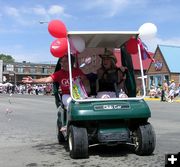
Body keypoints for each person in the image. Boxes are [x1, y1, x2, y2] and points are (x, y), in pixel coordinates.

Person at [22, 54, 89, 108]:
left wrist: (87, 89)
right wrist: (33, 80)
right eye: (61, 62)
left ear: (70, 62)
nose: (62, 64)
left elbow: (85, 80)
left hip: (79, 94)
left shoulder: (77, 71)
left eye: (65, 61)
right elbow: (47, 79)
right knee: (72, 105)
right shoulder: (59, 73)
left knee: (86, 105)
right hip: (66, 95)